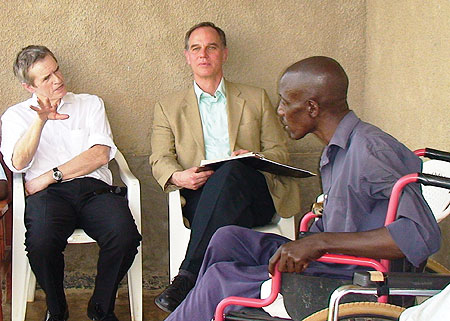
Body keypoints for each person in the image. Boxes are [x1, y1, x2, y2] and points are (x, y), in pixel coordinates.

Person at [163, 56, 441, 321]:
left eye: (285, 102)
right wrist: (312, 240)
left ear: (312, 108)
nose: (280, 111)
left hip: (352, 274)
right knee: (226, 238)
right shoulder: (337, 150)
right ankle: (201, 305)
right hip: (329, 258)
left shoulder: (371, 150)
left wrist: (320, 242)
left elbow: (420, 235)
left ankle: (208, 301)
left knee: (220, 278)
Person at [150, 22, 300, 312]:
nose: (203, 54)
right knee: (221, 190)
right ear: (187, 56)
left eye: (211, 47)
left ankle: (188, 277)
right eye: (196, 48)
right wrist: (180, 175)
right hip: (200, 194)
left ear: (224, 54)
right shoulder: (168, 106)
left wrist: (253, 156)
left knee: (232, 171)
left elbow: (280, 152)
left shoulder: (255, 97)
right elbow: (160, 158)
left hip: (254, 192)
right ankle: (224, 293)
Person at [0, 45, 142, 321]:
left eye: (57, 70)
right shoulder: (15, 116)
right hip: (49, 198)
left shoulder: (90, 104)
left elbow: (100, 154)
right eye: (46, 78)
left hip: (94, 191)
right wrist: (39, 122)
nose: (57, 80)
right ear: (29, 87)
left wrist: (50, 176)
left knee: (125, 237)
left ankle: (101, 308)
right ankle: (57, 308)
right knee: (40, 243)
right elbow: (18, 163)